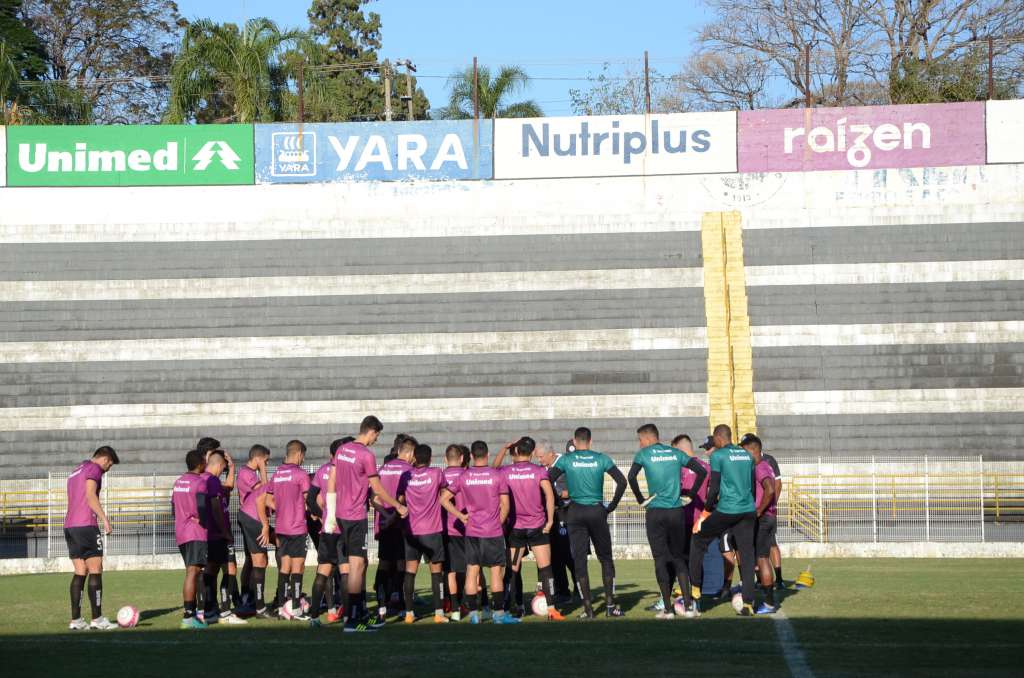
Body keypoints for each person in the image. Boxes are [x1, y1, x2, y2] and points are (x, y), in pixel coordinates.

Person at [323, 415, 408, 632]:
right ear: (371, 431)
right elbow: (377, 489)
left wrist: (331, 514)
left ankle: (360, 612)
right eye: (376, 436)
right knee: (357, 566)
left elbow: (331, 481)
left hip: (341, 514)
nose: (376, 440)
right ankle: (352, 619)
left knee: (360, 565)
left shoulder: (342, 450)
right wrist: (397, 507)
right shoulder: (365, 454)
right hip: (355, 516)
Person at [547, 427, 627, 619]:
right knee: (605, 558)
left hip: (575, 512)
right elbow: (622, 482)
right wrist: (611, 506)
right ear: (590, 441)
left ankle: (588, 610)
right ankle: (609, 605)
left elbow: (548, 479)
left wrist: (559, 501)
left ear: (574, 441)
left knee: (580, 560)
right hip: (597, 510)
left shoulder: (566, 460)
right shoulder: (601, 458)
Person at [629, 424, 707, 619]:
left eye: (640, 440)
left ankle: (668, 609)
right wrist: (689, 494)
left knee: (660, 559)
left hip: (655, 512)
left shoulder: (644, 454)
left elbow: (631, 477)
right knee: (679, 557)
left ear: (647, 439)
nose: (639, 444)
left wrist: (641, 499)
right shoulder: (674, 453)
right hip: (676, 512)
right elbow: (702, 471)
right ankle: (689, 606)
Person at [440, 441, 519, 625]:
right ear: (488, 454)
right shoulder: (497, 476)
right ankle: (498, 614)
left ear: (472, 456)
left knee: (471, 572)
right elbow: (506, 505)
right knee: (495, 572)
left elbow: (444, 499)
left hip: (472, 531)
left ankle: (474, 615)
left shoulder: (464, 476)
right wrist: (498, 523)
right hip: (492, 531)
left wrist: (461, 516)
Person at [688, 424, 758, 616]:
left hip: (728, 510)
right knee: (747, 554)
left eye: (714, 439)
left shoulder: (718, 456)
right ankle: (749, 603)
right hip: (747, 510)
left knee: (697, 539)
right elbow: (752, 485)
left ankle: (695, 591)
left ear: (719, 438)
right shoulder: (747, 455)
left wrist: (705, 512)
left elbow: (715, 488)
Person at [494, 436, 565, 620]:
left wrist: (503, 448)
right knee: (546, 568)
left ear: (515, 452)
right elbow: (550, 495)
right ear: (532, 452)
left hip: (516, 529)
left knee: (513, 569)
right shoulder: (539, 471)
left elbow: (492, 469)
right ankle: (551, 609)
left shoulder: (505, 471)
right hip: (537, 528)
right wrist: (549, 521)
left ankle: (512, 608)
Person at [64, 446, 119, 630]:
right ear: (105, 459)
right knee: (96, 568)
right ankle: (97, 619)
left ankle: (76, 620)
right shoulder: (94, 469)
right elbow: (90, 496)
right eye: (110, 464)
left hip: (70, 526)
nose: (108, 468)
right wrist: (104, 519)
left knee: (80, 571)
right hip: (86, 524)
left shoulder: (77, 470)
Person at [396, 443, 449, 624]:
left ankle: (409, 613)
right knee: (436, 571)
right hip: (432, 530)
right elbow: (445, 494)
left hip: (412, 530)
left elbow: (400, 500)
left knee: (410, 571)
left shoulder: (406, 475)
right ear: (431, 458)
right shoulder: (436, 474)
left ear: (414, 458)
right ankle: (438, 613)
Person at [307, 437, 354, 626]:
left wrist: (322, 516)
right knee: (345, 573)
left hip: (327, 528)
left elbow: (311, 500)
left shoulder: (322, 470)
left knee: (323, 572)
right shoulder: (347, 470)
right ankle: (347, 617)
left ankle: (314, 617)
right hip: (344, 527)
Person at [373, 435, 415, 623]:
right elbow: (404, 499)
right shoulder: (408, 470)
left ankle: (381, 606)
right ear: (411, 453)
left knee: (383, 563)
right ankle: (399, 605)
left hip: (383, 523)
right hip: (401, 524)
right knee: (401, 563)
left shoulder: (382, 468)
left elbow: (373, 499)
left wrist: (386, 514)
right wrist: (395, 515)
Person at [267, 440, 311, 621]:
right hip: (297, 527)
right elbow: (308, 501)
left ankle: (280, 607)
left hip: (281, 527)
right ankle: (295, 607)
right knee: (298, 567)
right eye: (303, 456)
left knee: (285, 567)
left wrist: (283, 508)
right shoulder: (301, 474)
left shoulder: (276, 474)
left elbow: (268, 500)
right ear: (299, 453)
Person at [201, 450, 245, 624]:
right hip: (218, 533)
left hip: (211, 533)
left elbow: (228, 488)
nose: (222, 472)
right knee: (228, 569)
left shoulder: (207, 480)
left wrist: (232, 467)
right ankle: (224, 612)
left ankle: (210, 610)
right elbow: (216, 509)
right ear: (218, 465)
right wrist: (225, 532)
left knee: (212, 570)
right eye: (224, 469)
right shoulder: (211, 480)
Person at [740, 433, 786, 589]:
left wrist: (760, 510)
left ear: (753, 450)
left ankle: (768, 599)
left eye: (745, 451)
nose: (743, 454)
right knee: (762, 555)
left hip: (764, 517)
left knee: (761, 557)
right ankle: (765, 586)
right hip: (770, 515)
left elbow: (771, 489)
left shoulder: (760, 466)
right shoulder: (766, 465)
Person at [173, 449, 211, 629]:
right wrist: (203, 520)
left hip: (181, 532)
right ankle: (189, 616)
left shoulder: (178, 482)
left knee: (192, 571)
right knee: (193, 572)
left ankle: (193, 613)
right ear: (200, 464)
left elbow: (173, 508)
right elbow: (202, 505)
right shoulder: (200, 482)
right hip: (195, 532)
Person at [535, 440, 577, 603]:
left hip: (566, 513)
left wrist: (569, 492)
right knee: (555, 557)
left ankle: (580, 590)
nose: (539, 460)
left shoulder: (566, 463)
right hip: (550, 516)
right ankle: (563, 592)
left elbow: (579, 483)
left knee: (569, 555)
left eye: (541, 457)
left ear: (551, 454)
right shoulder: (542, 469)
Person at [236, 444, 273, 618]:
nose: (266, 463)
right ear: (258, 458)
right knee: (259, 559)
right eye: (265, 460)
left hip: (251, 516)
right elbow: (265, 491)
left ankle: (249, 599)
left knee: (252, 559)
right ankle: (256, 604)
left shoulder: (248, 472)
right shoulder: (246, 473)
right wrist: (264, 470)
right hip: (253, 517)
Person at [442, 444, 469, 621]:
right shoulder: (468, 475)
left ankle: (454, 608)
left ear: (445, 459)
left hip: (446, 528)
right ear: (461, 459)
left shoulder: (441, 475)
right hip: (468, 528)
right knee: (471, 568)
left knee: (450, 570)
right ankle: (471, 603)